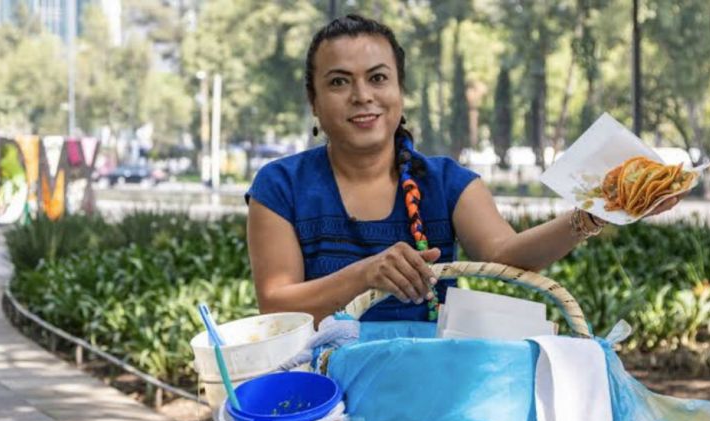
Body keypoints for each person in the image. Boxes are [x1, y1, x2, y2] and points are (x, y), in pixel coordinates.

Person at [245, 14, 680, 326]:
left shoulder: (447, 183)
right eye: (339, 81)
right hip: (319, 391)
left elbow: (506, 255)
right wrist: (365, 274)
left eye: (378, 78)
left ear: (400, 91)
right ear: (313, 101)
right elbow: (276, 305)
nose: (362, 95)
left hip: (433, 387)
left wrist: (593, 214)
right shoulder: (280, 186)